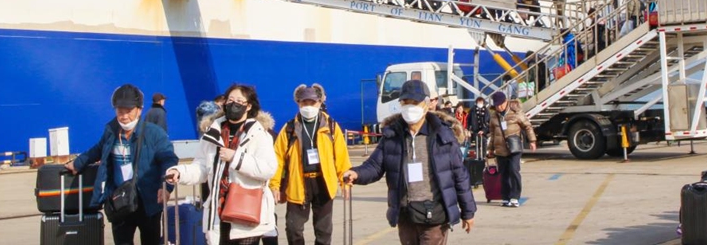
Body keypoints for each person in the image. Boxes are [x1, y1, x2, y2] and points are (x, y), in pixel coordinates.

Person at [343, 80, 476, 244]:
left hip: (434, 214)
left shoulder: (442, 136)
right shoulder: (393, 136)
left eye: (414, 102)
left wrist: (468, 212)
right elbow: (375, 166)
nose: (409, 107)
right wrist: (356, 173)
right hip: (405, 214)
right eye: (405, 102)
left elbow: (460, 175)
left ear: (426, 105)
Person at [65, 84, 179, 245]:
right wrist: (78, 163)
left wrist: (166, 187)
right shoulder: (111, 130)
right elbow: (98, 149)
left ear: (139, 110)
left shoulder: (154, 133)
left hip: (148, 201)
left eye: (128, 111)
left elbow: (168, 159)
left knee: (151, 240)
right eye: (120, 111)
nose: (124, 116)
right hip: (119, 200)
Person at [166, 84, 278, 245]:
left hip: (247, 210)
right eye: (230, 100)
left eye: (239, 101)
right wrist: (180, 172)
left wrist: (236, 158)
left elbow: (268, 169)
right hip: (219, 210)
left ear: (249, 106)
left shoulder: (259, 134)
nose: (234, 104)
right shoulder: (213, 133)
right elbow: (202, 166)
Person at [269, 84, 351, 245]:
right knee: (293, 229)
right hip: (298, 183)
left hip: (323, 183)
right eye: (304, 103)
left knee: (324, 230)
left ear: (320, 103)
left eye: (312, 103)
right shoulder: (289, 128)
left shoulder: (332, 127)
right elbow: (277, 158)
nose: (308, 106)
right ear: (298, 103)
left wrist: (345, 182)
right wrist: (274, 184)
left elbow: (341, 157)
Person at [487, 91, 536, 208]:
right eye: (497, 105)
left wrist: (532, 141)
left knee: (514, 171)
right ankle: (505, 197)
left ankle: (515, 197)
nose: (499, 107)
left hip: (514, 148)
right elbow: (492, 134)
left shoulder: (516, 112)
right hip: (500, 149)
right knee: (503, 174)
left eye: (501, 104)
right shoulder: (494, 116)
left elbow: (527, 126)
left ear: (506, 102)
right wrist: (490, 149)